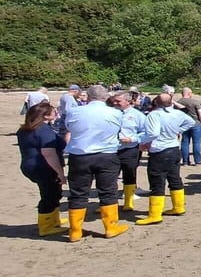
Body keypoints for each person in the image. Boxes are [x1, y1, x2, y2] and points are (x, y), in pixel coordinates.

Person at [64, 85, 128, 242]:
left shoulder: (74, 111)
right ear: (106, 97)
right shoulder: (116, 113)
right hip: (106, 155)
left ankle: (75, 231)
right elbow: (118, 129)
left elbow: (68, 127)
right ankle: (111, 227)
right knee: (108, 191)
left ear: (88, 96)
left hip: (80, 155)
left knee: (78, 192)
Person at [136, 93, 196, 225]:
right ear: (171, 102)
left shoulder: (154, 115)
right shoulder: (177, 113)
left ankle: (155, 214)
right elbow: (191, 122)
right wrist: (178, 130)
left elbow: (153, 133)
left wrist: (142, 142)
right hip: (174, 148)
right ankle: (178, 207)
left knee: (157, 181)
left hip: (160, 150)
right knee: (175, 178)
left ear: (156, 102)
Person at [17, 103, 68, 237]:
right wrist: (60, 173)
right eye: (54, 112)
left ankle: (53, 219)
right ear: (46, 116)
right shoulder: (44, 130)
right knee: (50, 195)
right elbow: (49, 154)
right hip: (44, 166)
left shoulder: (24, 129)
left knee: (51, 192)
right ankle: (46, 226)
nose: (56, 113)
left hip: (29, 165)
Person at [113, 91, 147, 212]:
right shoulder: (109, 113)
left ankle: (129, 202)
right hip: (111, 149)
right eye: (115, 101)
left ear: (128, 101)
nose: (115, 103)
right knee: (110, 177)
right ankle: (109, 203)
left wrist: (132, 139)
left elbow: (145, 132)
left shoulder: (138, 115)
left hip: (129, 149)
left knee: (129, 174)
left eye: (118, 101)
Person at [177, 87, 201, 166]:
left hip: (183, 124)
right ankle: (197, 160)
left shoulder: (178, 102)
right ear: (189, 93)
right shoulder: (194, 102)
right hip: (195, 123)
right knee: (196, 143)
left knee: (184, 142)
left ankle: (185, 161)